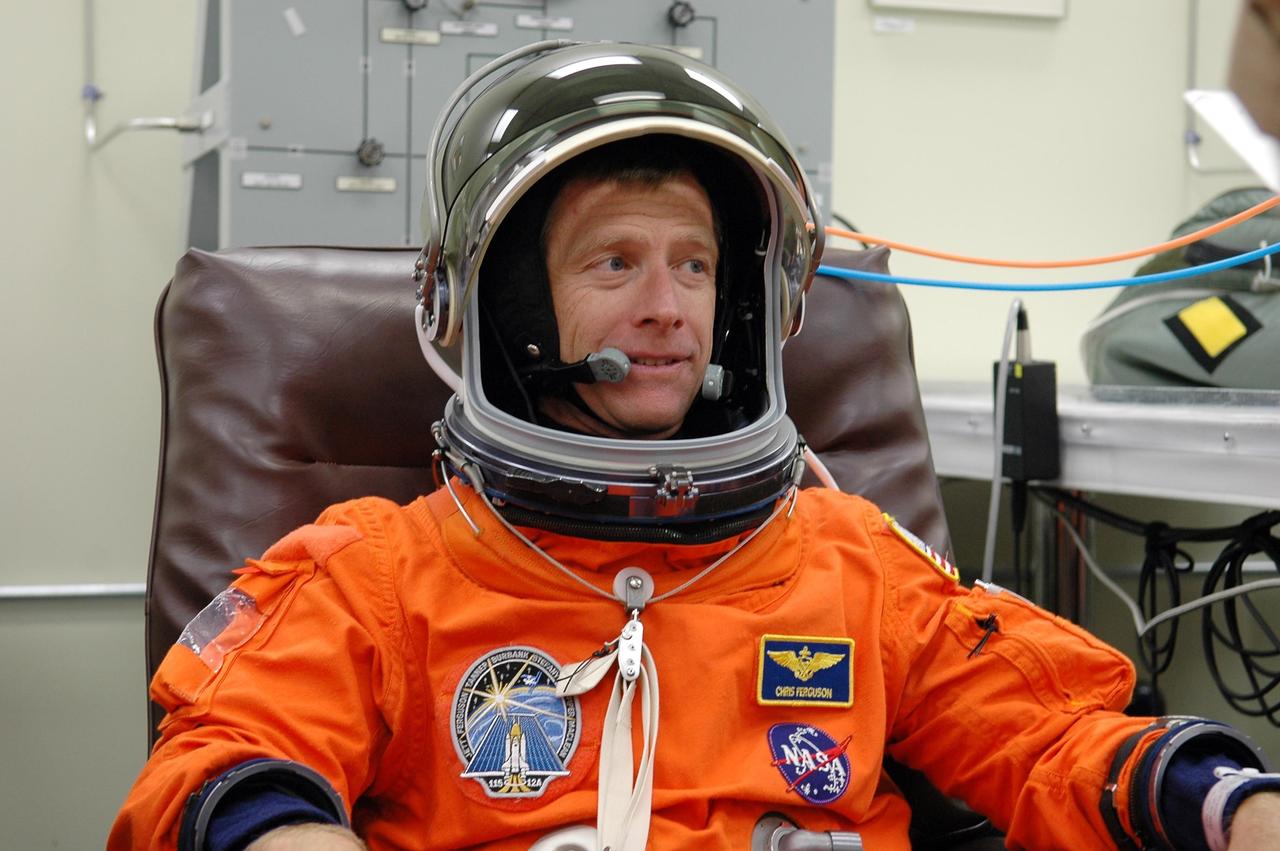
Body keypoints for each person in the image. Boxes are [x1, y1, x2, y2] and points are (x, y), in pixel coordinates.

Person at [110, 42, 1280, 851]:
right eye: (614, 262)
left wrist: (1232, 805)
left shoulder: (847, 562)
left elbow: (1051, 734)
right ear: (507, 307)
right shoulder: (378, 575)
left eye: (695, 264)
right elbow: (219, 763)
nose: (667, 309)